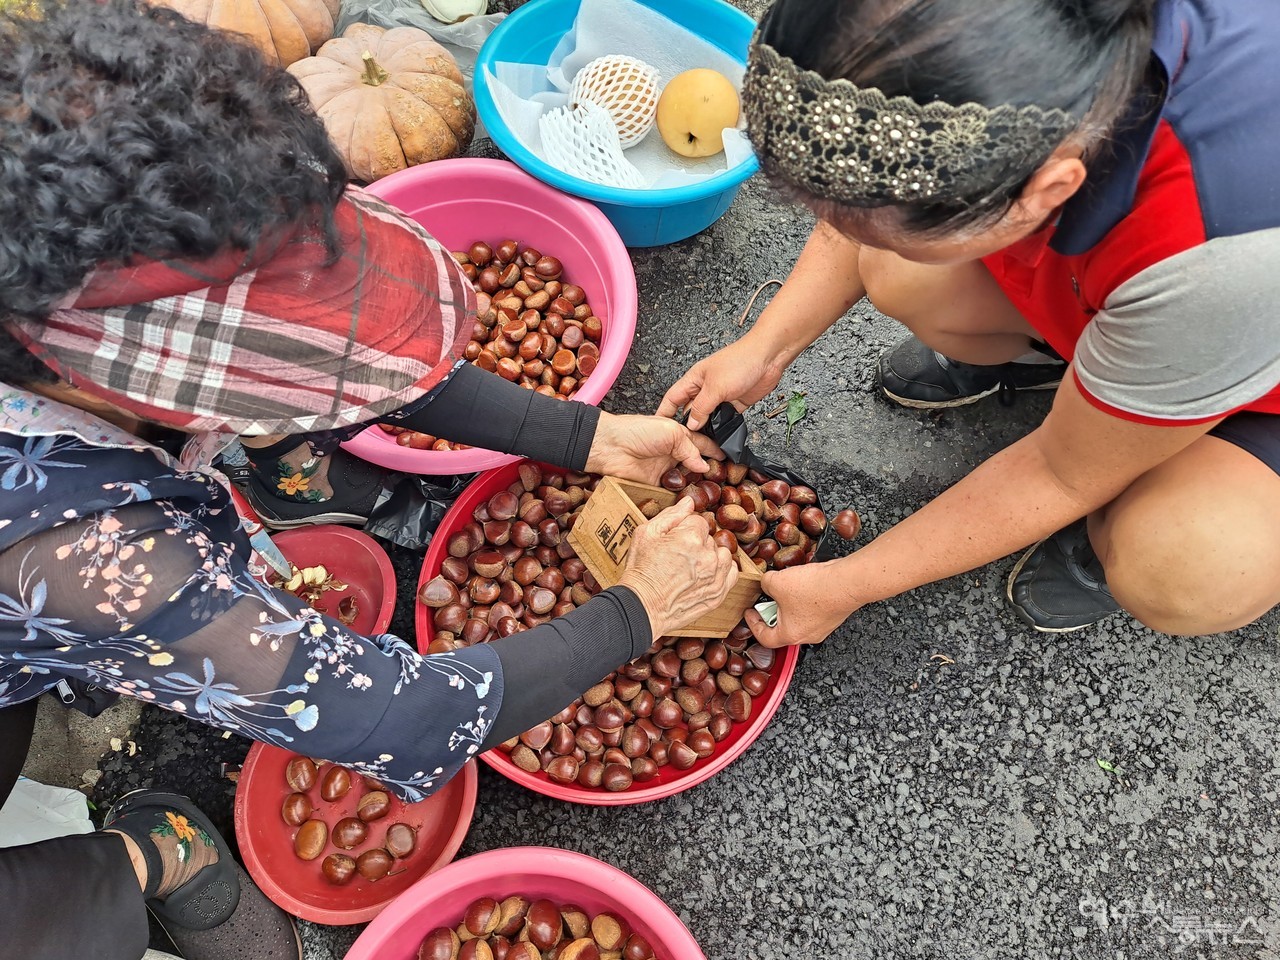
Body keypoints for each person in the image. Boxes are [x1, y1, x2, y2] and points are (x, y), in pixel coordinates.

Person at [0, 3, 738, 958]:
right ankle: (150, 857)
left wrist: (587, 437)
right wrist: (643, 608)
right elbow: (408, 715)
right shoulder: (92, 561)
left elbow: (304, 374)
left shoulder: (40, 251)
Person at [661, 0, 1280, 645]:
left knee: (1187, 564)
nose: (847, 234)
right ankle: (1088, 376)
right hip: (1164, 311)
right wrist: (766, 346)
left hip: (1253, 365)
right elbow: (865, 193)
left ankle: (1128, 466)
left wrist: (848, 584)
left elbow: (1061, 472)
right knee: (902, 270)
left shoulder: (1214, 251)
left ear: (1045, 189)